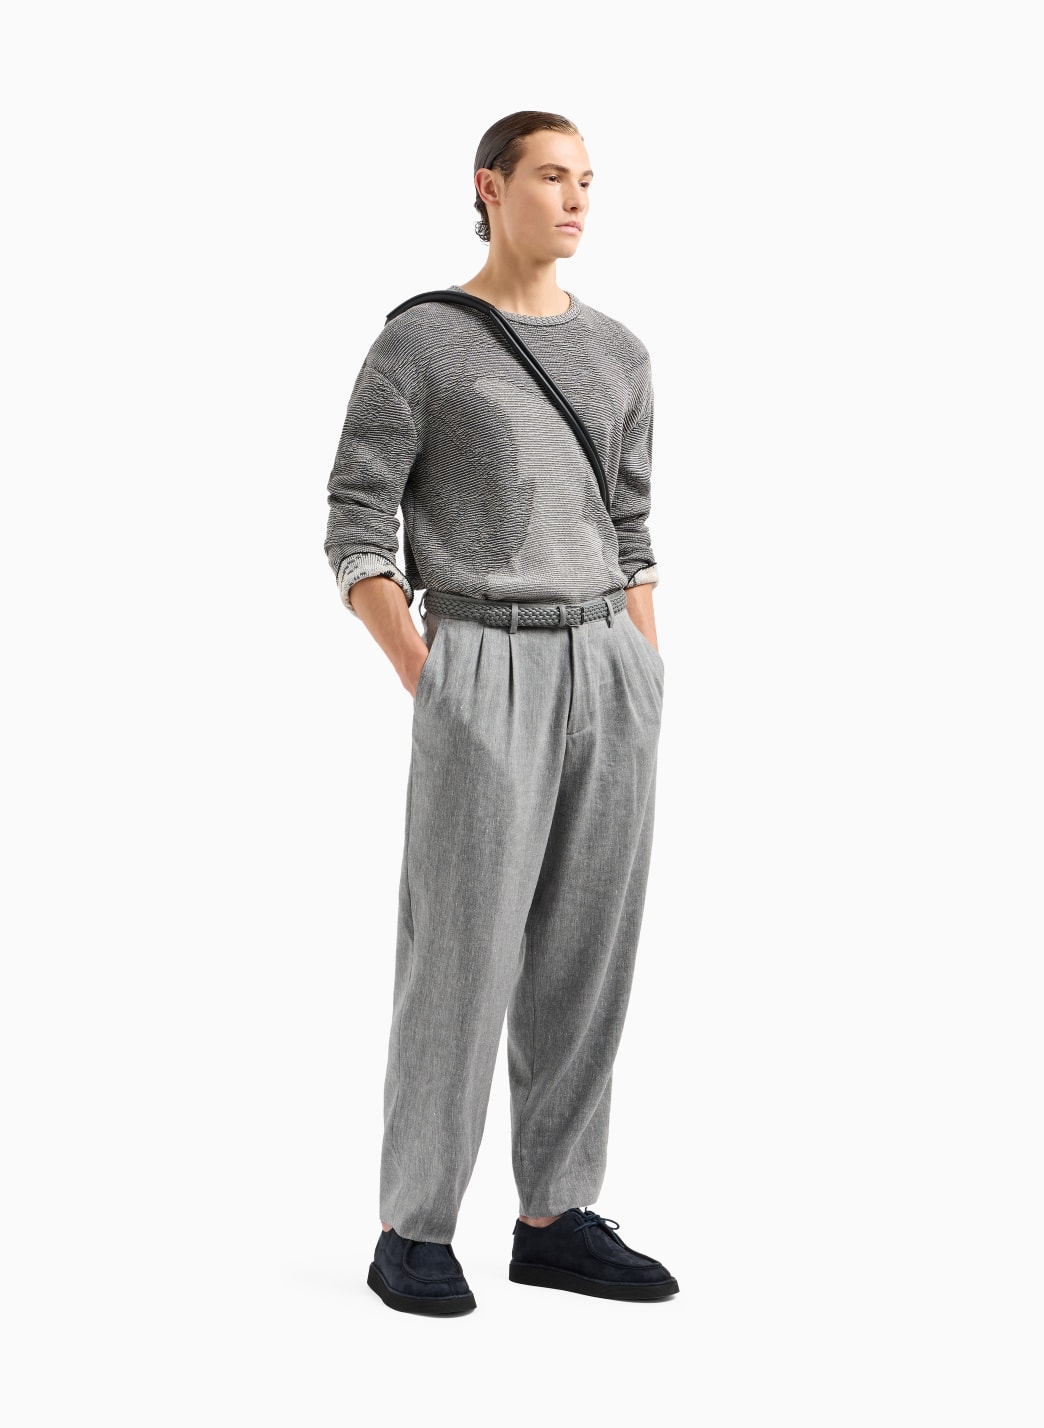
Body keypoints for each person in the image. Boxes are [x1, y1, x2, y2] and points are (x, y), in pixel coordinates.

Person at [323, 110, 678, 1315]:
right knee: (458, 954)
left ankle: (555, 1216)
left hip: (608, 664)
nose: (576, 199)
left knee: (589, 952)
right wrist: (429, 673)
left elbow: (631, 523)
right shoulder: (422, 343)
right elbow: (356, 520)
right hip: (483, 657)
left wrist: (645, 667)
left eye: (588, 180)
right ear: (490, 186)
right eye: (551, 176)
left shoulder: (620, 352)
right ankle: (412, 1230)